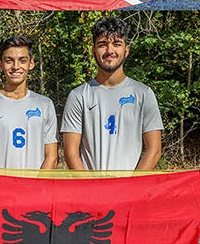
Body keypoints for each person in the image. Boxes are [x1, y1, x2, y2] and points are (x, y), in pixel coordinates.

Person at [61, 17, 162, 171]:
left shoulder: (144, 94)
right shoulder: (78, 96)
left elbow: (154, 151)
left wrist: (131, 187)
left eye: (116, 44)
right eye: (102, 44)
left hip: (131, 191)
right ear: (94, 51)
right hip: (92, 191)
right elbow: (70, 153)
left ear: (126, 50)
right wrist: (91, 188)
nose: (110, 51)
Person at [0, 35, 58, 170]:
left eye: (22, 60)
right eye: (9, 61)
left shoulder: (45, 105)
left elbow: (52, 156)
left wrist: (37, 187)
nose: (15, 66)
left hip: (34, 189)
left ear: (31, 64)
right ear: (1, 64)